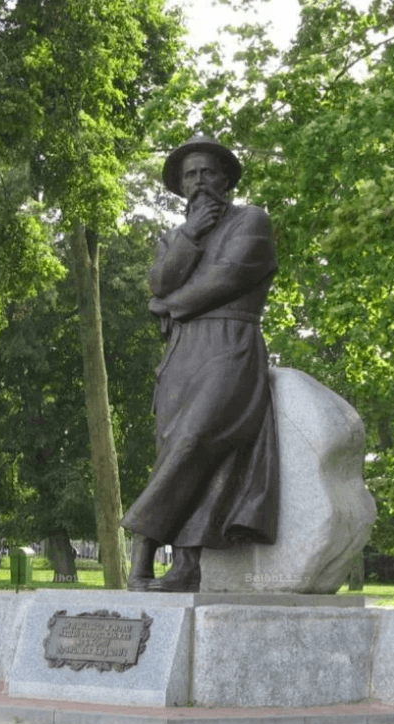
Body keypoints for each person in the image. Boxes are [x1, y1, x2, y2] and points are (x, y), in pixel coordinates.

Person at [121, 135, 279, 592]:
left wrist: (169, 307)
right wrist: (190, 236)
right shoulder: (174, 236)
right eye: (190, 175)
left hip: (230, 342)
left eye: (208, 172)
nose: (199, 182)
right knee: (175, 447)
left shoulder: (251, 220)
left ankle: (144, 543)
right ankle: (186, 563)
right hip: (180, 353)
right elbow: (158, 282)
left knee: (196, 439)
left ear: (226, 178)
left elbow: (227, 277)